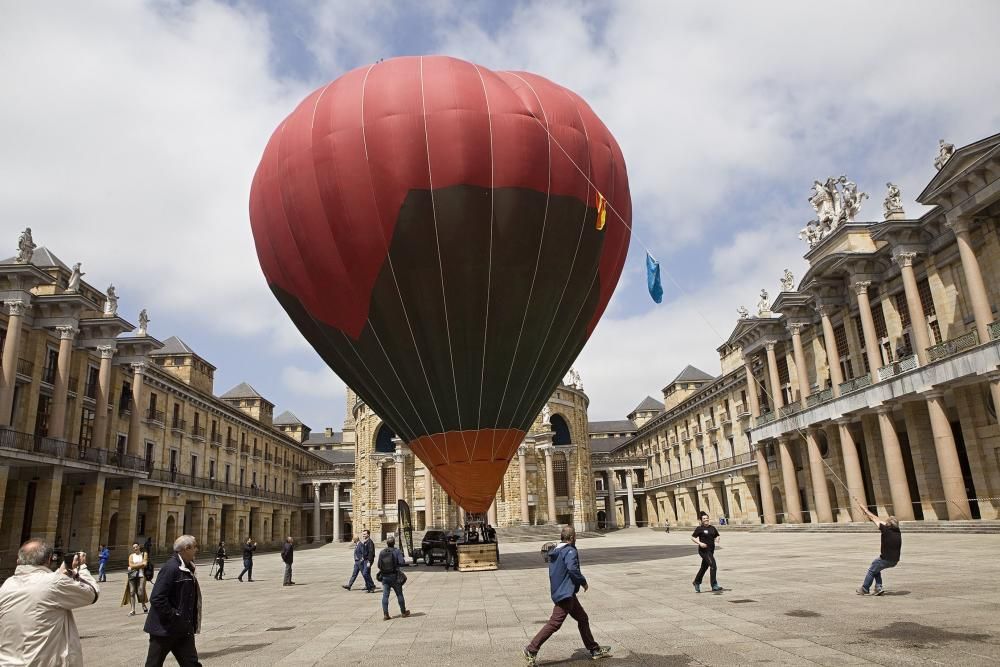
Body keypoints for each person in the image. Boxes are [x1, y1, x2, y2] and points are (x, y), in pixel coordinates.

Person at [0, 540, 99, 666]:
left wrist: (61, 573)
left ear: (18, 560)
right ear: (48, 560)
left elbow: (42, 587)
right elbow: (92, 593)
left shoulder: (7, 585)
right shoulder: (54, 583)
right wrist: (82, 568)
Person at [523, 525, 611, 665]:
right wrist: (583, 582)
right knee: (555, 623)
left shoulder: (555, 550)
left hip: (564, 591)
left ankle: (594, 649)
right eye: (574, 536)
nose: (575, 538)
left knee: (582, 618)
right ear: (571, 537)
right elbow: (572, 569)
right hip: (565, 594)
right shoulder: (569, 550)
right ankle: (531, 649)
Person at [144, 535, 202, 667]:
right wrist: (174, 616)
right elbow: (157, 598)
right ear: (186, 549)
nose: (196, 549)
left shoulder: (187, 568)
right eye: (194, 547)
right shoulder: (171, 568)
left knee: (191, 664)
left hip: (183, 629)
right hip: (164, 630)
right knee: (154, 664)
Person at [857, 503, 901, 596]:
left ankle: (865, 588)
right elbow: (879, 520)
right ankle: (878, 588)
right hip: (895, 561)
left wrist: (865, 510)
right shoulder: (897, 531)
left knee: (872, 569)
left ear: (888, 524)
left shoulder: (886, 530)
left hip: (885, 559)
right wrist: (866, 511)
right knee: (876, 568)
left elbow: (874, 519)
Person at [376, 536, 409, 620]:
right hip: (395, 576)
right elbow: (402, 562)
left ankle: (385, 614)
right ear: (394, 543)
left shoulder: (382, 552)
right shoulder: (397, 551)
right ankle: (403, 612)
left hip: (385, 577)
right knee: (399, 594)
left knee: (385, 595)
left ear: (387, 543)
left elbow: (379, 565)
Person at [691, 512, 722, 593]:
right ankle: (714, 585)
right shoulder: (699, 528)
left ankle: (696, 582)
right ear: (701, 520)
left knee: (704, 567)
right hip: (703, 551)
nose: (706, 520)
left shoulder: (712, 528)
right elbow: (693, 537)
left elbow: (717, 535)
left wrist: (718, 538)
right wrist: (700, 543)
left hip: (711, 551)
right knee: (713, 565)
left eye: (707, 518)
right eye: (704, 518)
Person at [123, 542, 149, 615]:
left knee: (140, 591)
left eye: (136, 547)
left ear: (139, 546)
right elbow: (131, 564)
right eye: (134, 548)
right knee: (132, 592)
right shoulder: (131, 556)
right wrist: (140, 565)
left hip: (141, 575)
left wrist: (134, 566)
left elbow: (145, 564)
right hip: (132, 575)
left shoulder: (144, 554)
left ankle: (143, 604)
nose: (135, 549)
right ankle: (133, 610)